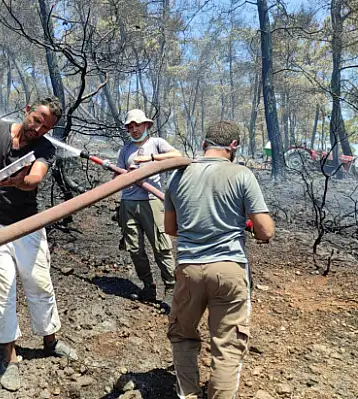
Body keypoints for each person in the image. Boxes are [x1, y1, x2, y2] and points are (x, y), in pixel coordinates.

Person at [0, 97, 77, 392]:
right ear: (27, 111)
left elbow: (34, 178)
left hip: (26, 224)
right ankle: (9, 358)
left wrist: (15, 181)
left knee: (39, 282)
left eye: (46, 126)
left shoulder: (44, 148)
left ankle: (50, 340)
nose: (38, 128)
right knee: (2, 287)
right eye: (36, 119)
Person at [163, 121, 275, 399]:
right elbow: (266, 231)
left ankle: (188, 394)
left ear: (204, 145)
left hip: (189, 270)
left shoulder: (177, 176)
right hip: (229, 270)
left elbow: (171, 229)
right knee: (227, 345)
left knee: (183, 335)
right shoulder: (241, 174)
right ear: (234, 146)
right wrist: (243, 222)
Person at [116, 109, 182, 307]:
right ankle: (148, 287)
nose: (134, 129)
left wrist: (150, 159)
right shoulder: (125, 149)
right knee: (135, 248)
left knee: (161, 246)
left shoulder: (157, 143)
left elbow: (177, 156)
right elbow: (116, 179)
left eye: (138, 125)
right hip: (128, 202)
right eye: (131, 126)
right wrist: (126, 173)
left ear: (146, 125)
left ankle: (171, 288)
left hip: (151, 201)